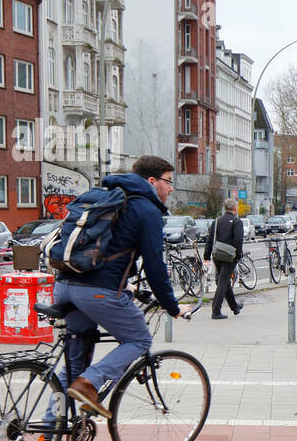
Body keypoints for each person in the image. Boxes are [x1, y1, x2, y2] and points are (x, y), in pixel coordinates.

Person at [52, 155, 192, 426]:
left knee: (71, 366)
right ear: (151, 181)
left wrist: (126, 283)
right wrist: (172, 307)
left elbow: (109, 250)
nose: (171, 188)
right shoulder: (146, 210)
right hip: (96, 292)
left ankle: (52, 429)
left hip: (65, 285)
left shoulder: (108, 198)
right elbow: (155, 267)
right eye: (168, 181)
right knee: (139, 340)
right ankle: (90, 383)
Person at [204, 197, 244, 319]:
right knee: (223, 281)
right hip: (230, 255)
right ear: (235, 208)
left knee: (223, 280)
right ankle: (216, 311)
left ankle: (235, 307)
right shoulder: (237, 222)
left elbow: (210, 239)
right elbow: (238, 239)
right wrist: (238, 255)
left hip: (217, 255)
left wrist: (207, 256)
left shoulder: (216, 221)